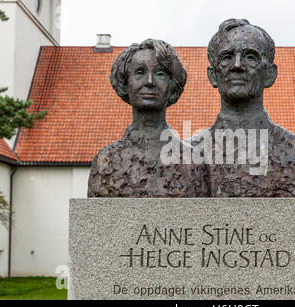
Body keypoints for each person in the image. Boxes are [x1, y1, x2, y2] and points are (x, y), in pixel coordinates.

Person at [189, 19, 295, 197]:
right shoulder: (186, 157)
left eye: (250, 57)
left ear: (270, 75)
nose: (237, 65)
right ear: (213, 76)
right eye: (227, 57)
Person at [88, 39, 207, 197]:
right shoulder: (105, 163)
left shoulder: (192, 163)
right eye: (140, 72)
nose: (149, 82)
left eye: (160, 74)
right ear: (125, 83)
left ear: (172, 86)